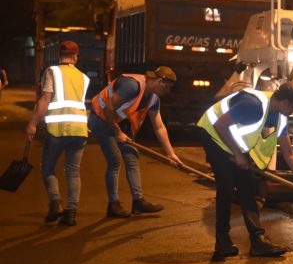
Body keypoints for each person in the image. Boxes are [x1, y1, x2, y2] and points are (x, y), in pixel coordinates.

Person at [197, 81, 293, 261]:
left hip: (232, 142)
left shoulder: (280, 117)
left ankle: (258, 241)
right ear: (286, 102)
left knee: (248, 187)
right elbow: (220, 125)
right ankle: (222, 241)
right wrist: (238, 155)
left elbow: (289, 153)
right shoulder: (253, 105)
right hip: (214, 135)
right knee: (226, 186)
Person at [89, 66, 183, 218]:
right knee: (114, 159)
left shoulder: (153, 99)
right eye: (167, 88)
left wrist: (170, 154)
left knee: (132, 156)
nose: (168, 92)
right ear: (159, 81)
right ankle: (113, 205)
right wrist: (117, 132)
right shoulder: (132, 86)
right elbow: (108, 108)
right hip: (100, 118)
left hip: (118, 121)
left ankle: (138, 202)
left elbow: (159, 127)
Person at [25, 41, 89, 226]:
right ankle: (71, 213)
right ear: (76, 57)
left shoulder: (52, 72)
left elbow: (45, 100)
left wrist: (33, 124)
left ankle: (55, 204)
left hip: (58, 130)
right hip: (79, 130)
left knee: (47, 168)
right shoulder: (84, 78)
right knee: (73, 172)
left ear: (58, 56)